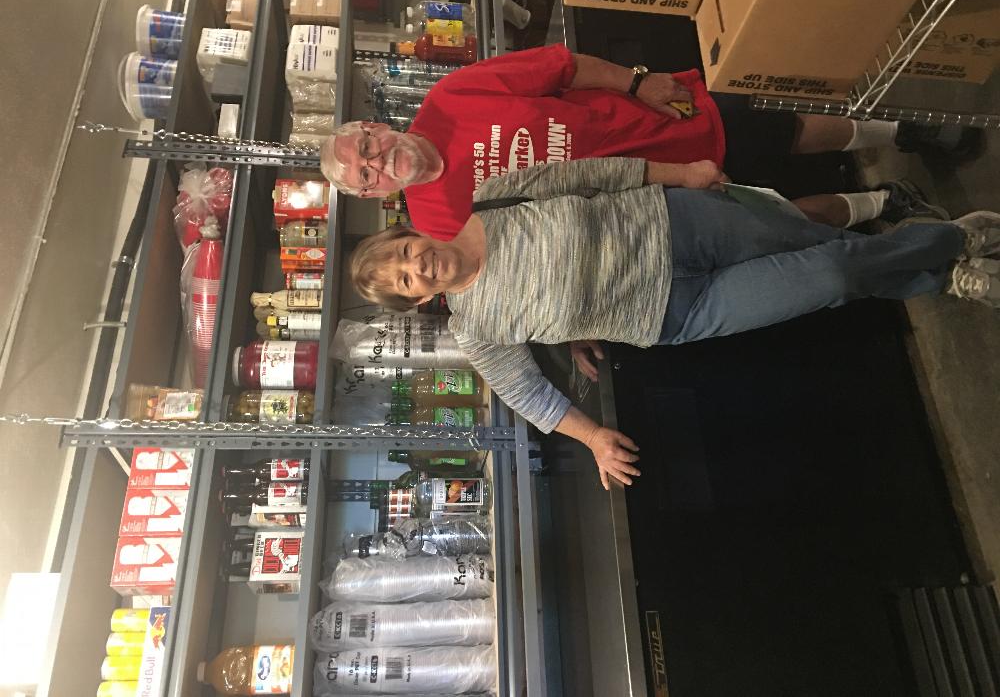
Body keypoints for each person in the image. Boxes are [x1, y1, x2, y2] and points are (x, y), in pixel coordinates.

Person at [348, 157, 1000, 490]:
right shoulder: (475, 328)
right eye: (406, 280)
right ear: (419, 300)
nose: (418, 266)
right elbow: (526, 393)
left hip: (676, 222)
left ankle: (942, 265)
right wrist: (593, 437)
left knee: (823, 244)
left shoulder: (487, 202)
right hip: (675, 313)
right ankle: (947, 249)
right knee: (830, 278)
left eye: (404, 253)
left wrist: (678, 173)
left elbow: (588, 175)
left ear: (410, 234)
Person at [321, 44, 972, 239]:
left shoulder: (452, 96)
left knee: (786, 134)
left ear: (376, 127)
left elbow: (563, 68)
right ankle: (885, 202)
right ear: (371, 193)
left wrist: (639, 83)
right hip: (642, 213)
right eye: (365, 176)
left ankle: (905, 131)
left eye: (367, 148)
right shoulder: (435, 221)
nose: (376, 163)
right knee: (773, 212)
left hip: (651, 126)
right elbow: (513, 253)